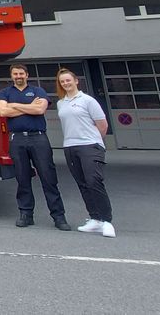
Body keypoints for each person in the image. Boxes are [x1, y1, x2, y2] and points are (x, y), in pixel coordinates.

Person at [0, 64, 70, 231]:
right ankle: (26, 214)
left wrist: (14, 105)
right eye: (15, 74)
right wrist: (28, 107)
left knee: (48, 178)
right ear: (12, 76)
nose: (18, 76)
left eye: (21, 73)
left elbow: (40, 109)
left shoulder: (38, 91)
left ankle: (59, 216)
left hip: (38, 138)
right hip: (17, 139)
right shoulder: (5, 92)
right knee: (22, 179)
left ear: (27, 75)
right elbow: (3, 112)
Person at [56, 68, 116, 238]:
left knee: (94, 181)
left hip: (90, 145)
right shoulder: (61, 103)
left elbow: (102, 125)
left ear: (76, 81)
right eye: (62, 81)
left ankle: (107, 221)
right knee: (82, 183)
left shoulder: (88, 100)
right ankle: (94, 218)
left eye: (68, 80)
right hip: (70, 146)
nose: (66, 83)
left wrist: (95, 141)